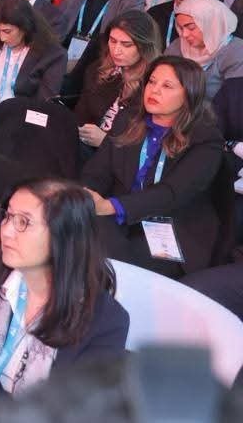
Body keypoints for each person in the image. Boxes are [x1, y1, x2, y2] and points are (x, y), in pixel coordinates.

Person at [0, 179, 129, 422]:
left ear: (64, 236)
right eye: (8, 216)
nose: (6, 230)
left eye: (24, 222)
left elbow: (82, 414)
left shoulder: (106, 321)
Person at [80, 56, 226, 276]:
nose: (154, 90)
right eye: (152, 82)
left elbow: (172, 193)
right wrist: (84, 196)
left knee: (118, 265)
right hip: (119, 216)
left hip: (172, 226)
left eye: (167, 86)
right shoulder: (128, 120)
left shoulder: (205, 139)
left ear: (189, 95)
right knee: (75, 239)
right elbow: (98, 171)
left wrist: (110, 206)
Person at [74, 11, 162, 159]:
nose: (116, 50)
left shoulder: (155, 83)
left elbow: (150, 144)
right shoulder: (98, 70)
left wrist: (106, 141)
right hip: (84, 147)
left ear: (145, 47)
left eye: (126, 45)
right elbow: (80, 115)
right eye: (113, 41)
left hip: (121, 159)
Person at [167, 0, 243, 99]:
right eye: (181, 28)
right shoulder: (177, 47)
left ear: (211, 23)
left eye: (191, 27)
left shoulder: (236, 51)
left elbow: (234, 100)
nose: (184, 34)